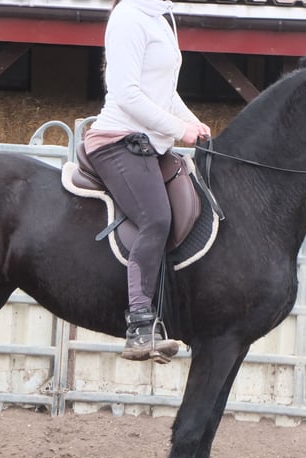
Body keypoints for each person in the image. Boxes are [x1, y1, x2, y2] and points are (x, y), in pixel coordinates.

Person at [84, 0, 211, 362]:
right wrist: (178, 130)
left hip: (151, 141)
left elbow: (164, 93)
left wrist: (192, 122)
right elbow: (127, 93)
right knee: (156, 218)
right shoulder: (128, 17)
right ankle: (140, 327)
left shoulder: (159, 18)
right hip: (118, 139)